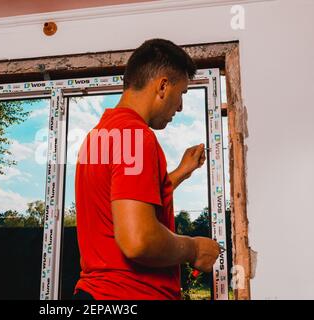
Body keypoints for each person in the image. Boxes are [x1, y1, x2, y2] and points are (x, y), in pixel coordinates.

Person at [72, 39, 220, 300]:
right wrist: (194, 249)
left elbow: (125, 199)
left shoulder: (98, 136)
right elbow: (139, 240)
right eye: (182, 93)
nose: (180, 106)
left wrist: (179, 174)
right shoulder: (136, 136)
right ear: (163, 85)